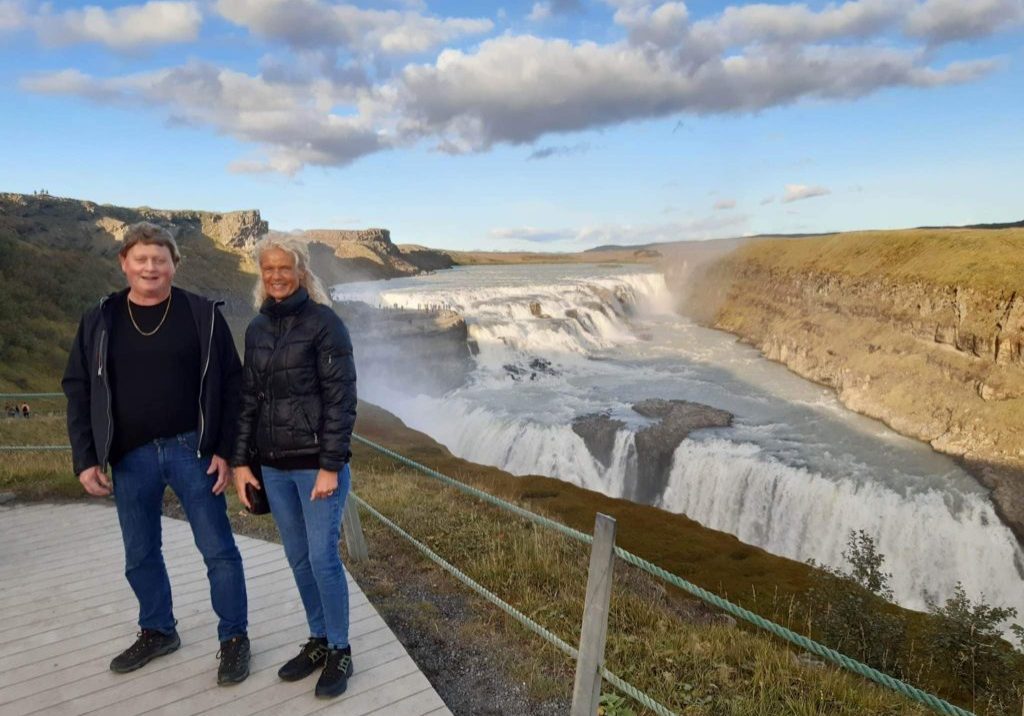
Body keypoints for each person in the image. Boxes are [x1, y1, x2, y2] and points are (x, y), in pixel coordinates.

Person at [62, 221, 250, 684]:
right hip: (130, 455)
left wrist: (226, 450)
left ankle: (234, 639)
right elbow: (78, 386)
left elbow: (233, 383)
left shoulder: (202, 314)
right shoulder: (100, 318)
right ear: (124, 263)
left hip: (194, 450)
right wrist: (86, 457)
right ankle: (158, 630)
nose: (151, 267)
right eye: (141, 259)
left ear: (173, 265)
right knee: (140, 553)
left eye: (160, 259)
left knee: (218, 550)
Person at [231, 237, 357, 699]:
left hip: (314, 469)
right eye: (268, 270)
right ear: (261, 275)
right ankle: (319, 639)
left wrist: (331, 466)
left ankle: (341, 649)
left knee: (323, 558)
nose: (276, 276)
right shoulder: (258, 328)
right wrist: (243, 463)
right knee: (298, 557)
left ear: (301, 272)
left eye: (285, 268)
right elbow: (247, 400)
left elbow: (341, 402)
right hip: (274, 469)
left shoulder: (325, 325)